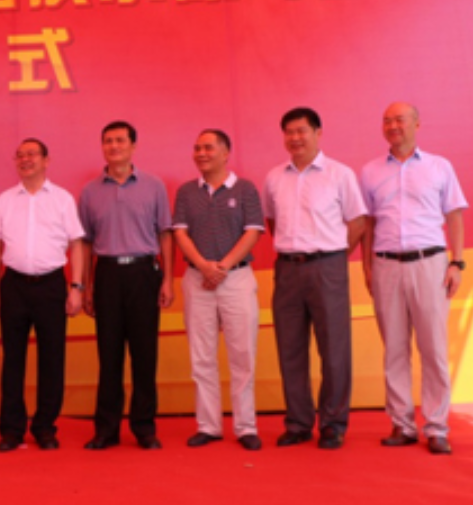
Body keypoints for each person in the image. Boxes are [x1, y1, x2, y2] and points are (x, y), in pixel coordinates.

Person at [360, 102, 466, 455]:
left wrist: (457, 263)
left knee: (433, 348)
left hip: (429, 263)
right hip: (386, 264)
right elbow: (367, 224)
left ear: (417, 124)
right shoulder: (370, 171)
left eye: (400, 119)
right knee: (394, 348)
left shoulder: (439, 166)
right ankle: (402, 424)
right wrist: (366, 266)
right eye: (387, 120)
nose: (393, 125)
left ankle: (436, 426)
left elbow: (454, 215)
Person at [263, 107, 366, 449]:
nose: (295, 138)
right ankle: (298, 422)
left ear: (318, 133)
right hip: (287, 269)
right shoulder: (274, 177)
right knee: (290, 348)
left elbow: (357, 222)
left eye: (302, 131)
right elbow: (273, 222)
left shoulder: (340, 174)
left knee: (334, 348)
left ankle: (333, 423)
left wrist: (333, 255)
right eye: (289, 132)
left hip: (328, 267)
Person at [78, 121, 174, 450]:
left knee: (145, 355)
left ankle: (144, 427)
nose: (114, 146)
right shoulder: (90, 192)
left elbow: (165, 234)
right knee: (109, 356)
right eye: (108, 141)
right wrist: (87, 286)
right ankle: (106, 429)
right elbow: (85, 243)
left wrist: (167, 280)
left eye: (120, 140)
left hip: (144, 273)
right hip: (106, 275)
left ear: (134, 146)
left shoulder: (154, 186)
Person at [0, 138, 84, 452]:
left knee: (52, 359)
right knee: (12, 360)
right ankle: (11, 429)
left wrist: (76, 287)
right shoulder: (5, 200)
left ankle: (45, 427)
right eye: (20, 155)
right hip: (13, 285)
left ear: (46, 160)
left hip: (51, 285)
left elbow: (77, 245)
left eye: (32, 154)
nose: (25, 160)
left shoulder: (62, 199)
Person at [172, 130, 264, 451]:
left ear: (226, 153)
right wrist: (203, 266)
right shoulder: (186, 192)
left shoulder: (245, 188)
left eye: (209, 148)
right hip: (197, 280)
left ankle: (245, 426)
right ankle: (208, 425)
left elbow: (253, 232)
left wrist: (221, 267)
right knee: (201, 357)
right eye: (197, 148)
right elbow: (180, 233)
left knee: (243, 356)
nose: (201, 153)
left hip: (236, 279)